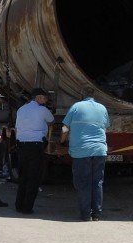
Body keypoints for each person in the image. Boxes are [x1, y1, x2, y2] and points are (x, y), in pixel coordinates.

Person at [61, 87, 111, 221]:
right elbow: (105, 125)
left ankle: (85, 214)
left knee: (83, 182)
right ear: (94, 96)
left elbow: (65, 127)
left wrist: (62, 140)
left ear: (81, 95)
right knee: (97, 182)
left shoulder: (76, 107)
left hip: (81, 151)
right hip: (100, 150)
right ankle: (97, 214)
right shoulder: (102, 108)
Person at [13, 88, 55, 214]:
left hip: (21, 145)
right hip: (35, 147)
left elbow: (17, 126)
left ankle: (18, 205)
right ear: (38, 98)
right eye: (44, 97)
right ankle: (27, 207)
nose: (46, 100)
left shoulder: (21, 109)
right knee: (34, 178)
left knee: (23, 177)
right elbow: (52, 120)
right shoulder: (42, 110)